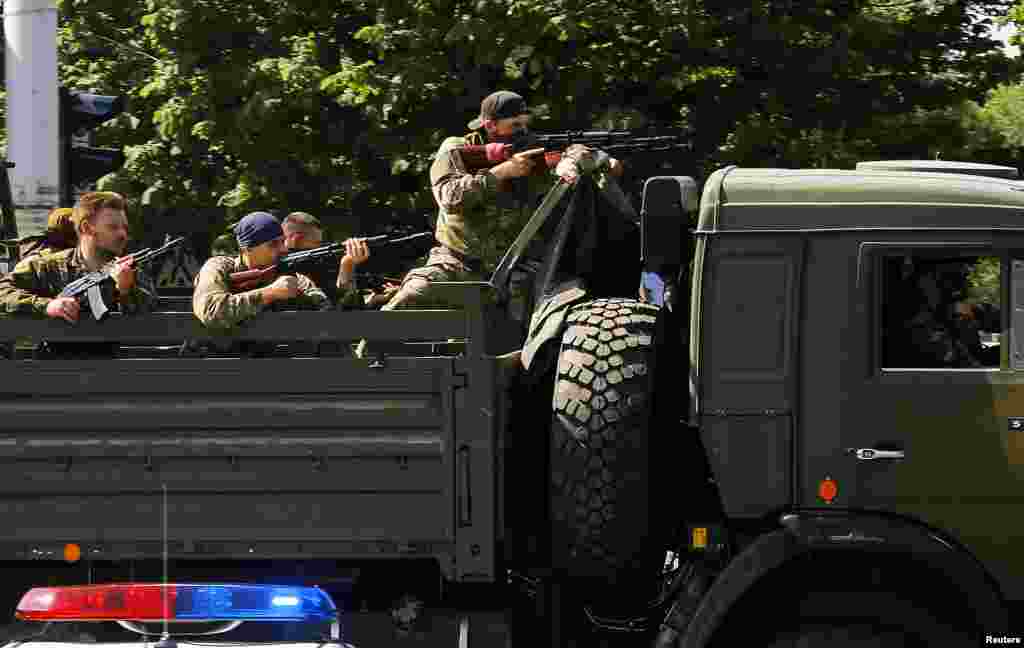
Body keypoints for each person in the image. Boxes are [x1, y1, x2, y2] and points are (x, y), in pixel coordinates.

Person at [356, 90, 620, 360]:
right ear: (490, 125)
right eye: (514, 125)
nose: (523, 130)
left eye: (524, 123)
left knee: (535, 337)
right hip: (456, 262)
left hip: (514, 271)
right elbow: (449, 198)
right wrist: (501, 172)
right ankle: (360, 368)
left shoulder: (530, 148)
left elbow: (576, 150)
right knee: (410, 297)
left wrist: (579, 159)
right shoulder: (456, 148)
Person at [192, 211, 367, 333]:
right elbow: (210, 310)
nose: (283, 249)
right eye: (273, 244)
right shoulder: (219, 267)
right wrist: (270, 293)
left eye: (282, 242)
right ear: (247, 249)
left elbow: (332, 319)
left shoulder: (290, 276)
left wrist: (347, 266)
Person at [0, 192, 156, 322]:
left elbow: (150, 319)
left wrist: (125, 290)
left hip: (115, 358)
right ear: (86, 228)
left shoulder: (130, 270)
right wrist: (47, 306)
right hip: (53, 357)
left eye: (124, 228)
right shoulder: (48, 266)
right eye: (113, 227)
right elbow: (3, 292)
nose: (122, 234)